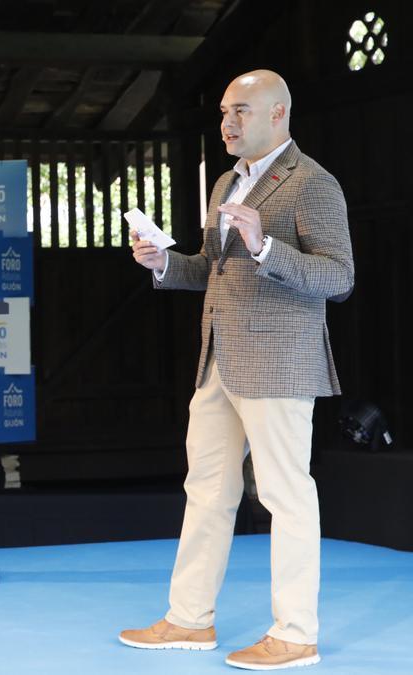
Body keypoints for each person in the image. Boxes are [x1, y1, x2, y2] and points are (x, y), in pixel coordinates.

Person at [119, 70, 354, 671]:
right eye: (224, 111)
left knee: (286, 496)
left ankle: (296, 633)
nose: (227, 122)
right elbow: (209, 270)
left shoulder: (313, 183)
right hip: (218, 360)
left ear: (278, 114)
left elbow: (339, 278)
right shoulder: (227, 180)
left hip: (279, 363)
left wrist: (267, 248)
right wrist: (163, 263)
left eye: (241, 111)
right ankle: (189, 620)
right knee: (205, 492)